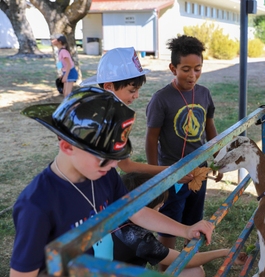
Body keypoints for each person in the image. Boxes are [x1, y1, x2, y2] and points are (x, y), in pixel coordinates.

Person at [10, 87, 214, 277]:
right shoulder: (37, 205)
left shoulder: (104, 175)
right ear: (67, 146)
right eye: (104, 158)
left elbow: (137, 211)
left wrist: (185, 230)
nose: (114, 165)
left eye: (117, 157)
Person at [145, 35, 223, 271]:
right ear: (173, 68)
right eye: (186, 69)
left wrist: (217, 159)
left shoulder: (204, 94)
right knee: (169, 223)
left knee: (193, 219)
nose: (192, 75)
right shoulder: (161, 99)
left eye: (197, 69)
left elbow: (210, 127)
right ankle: (166, 269)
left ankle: (189, 264)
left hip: (199, 171)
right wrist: (157, 176)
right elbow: (151, 138)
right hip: (172, 174)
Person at [80, 47, 194, 183]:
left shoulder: (100, 111)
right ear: (109, 87)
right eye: (132, 90)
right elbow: (126, 165)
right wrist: (170, 172)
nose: (136, 95)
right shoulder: (110, 120)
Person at [113, 172, 247, 276]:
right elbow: (185, 259)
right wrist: (224, 252)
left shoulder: (112, 214)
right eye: (158, 208)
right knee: (195, 272)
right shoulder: (141, 241)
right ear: (146, 209)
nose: (160, 211)